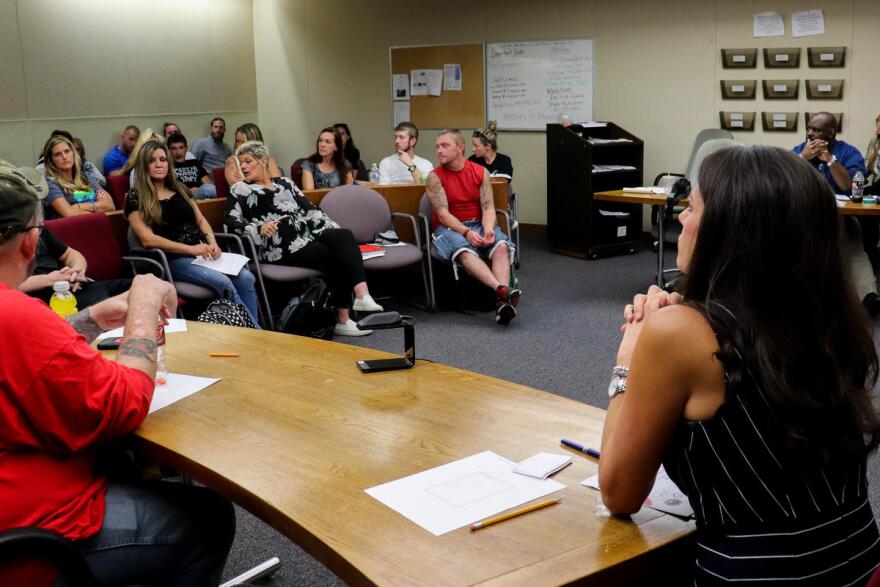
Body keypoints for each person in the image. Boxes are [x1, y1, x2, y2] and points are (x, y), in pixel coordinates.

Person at [599, 146, 880, 584]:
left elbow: (619, 493)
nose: (681, 220)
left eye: (692, 208)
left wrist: (629, 361)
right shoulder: (833, 318)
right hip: (859, 563)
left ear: (730, 231)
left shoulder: (678, 333)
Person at [0, 161, 235, 585]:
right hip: (30, 540)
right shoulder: (14, 315)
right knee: (208, 517)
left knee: (120, 461)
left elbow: (23, 361)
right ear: (31, 243)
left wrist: (89, 317)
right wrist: (143, 311)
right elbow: (122, 405)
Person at [225, 141, 382, 336]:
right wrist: (258, 228)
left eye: (248, 161)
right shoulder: (240, 189)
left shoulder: (285, 183)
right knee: (337, 255)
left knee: (344, 235)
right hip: (279, 245)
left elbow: (310, 210)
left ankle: (361, 295)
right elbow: (232, 223)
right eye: (242, 164)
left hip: (306, 235)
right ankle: (345, 317)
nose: (244, 167)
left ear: (263, 161)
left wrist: (332, 227)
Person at [125, 140, 261, 326]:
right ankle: (255, 333)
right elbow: (148, 240)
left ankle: (253, 334)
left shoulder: (180, 188)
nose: (159, 164)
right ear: (144, 165)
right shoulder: (135, 197)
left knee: (245, 277)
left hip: (200, 253)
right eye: (152, 160)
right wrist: (190, 249)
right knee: (223, 283)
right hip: (171, 260)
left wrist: (212, 242)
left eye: (163, 159)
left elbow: (201, 220)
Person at [426, 129, 519, 325]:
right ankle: (502, 292)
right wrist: (466, 232)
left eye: (445, 146)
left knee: (501, 247)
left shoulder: (480, 172)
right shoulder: (434, 177)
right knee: (465, 251)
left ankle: (502, 302)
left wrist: (488, 229)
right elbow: (443, 215)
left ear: (460, 148)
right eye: (437, 147)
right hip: (449, 228)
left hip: (478, 223)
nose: (439, 151)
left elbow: (488, 206)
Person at [793, 112, 879, 314]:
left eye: (816, 130)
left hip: (841, 217)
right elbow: (783, 180)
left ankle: (869, 297)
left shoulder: (849, 153)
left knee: (854, 248)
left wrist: (830, 161)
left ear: (831, 132)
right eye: (809, 128)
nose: (810, 133)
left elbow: (849, 186)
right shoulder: (800, 150)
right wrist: (803, 158)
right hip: (805, 217)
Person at [18, 226, 130, 309]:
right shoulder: (6, 240)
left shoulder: (39, 229)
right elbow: (4, 285)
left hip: (69, 287)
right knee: (114, 304)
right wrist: (50, 279)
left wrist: (77, 270)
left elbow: (69, 254)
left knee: (137, 286)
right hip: (40, 298)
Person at [41, 135, 115, 220]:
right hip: (71, 230)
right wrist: (99, 207)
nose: (64, 157)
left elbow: (110, 205)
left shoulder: (85, 176)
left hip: (96, 224)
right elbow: (69, 214)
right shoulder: (50, 183)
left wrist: (78, 207)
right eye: (57, 154)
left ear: (73, 153)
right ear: (51, 160)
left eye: (67, 151)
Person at [167, 132, 217, 199]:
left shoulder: (194, 163)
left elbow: (210, 185)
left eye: (181, 148)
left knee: (211, 189)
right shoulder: (167, 166)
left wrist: (199, 189)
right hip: (181, 197)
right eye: (174, 149)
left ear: (186, 148)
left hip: (199, 195)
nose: (178, 152)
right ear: (169, 150)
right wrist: (188, 191)